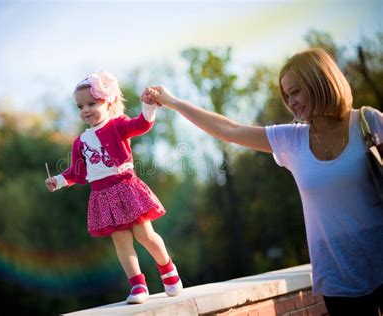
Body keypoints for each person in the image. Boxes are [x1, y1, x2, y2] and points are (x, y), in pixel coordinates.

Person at [145, 48, 383, 315]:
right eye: (286, 95)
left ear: (319, 82)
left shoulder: (369, 121)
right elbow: (229, 130)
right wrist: (173, 102)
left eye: (296, 91)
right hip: (338, 282)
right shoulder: (291, 140)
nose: (290, 102)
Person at [44, 71, 182, 304]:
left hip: (125, 188)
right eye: (80, 106)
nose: (85, 110)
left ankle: (169, 272)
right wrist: (57, 180)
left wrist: (149, 106)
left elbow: (142, 125)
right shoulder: (81, 141)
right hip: (102, 195)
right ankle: (138, 285)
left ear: (108, 102)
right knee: (121, 241)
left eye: (92, 103)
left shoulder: (118, 125)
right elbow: (77, 172)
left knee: (145, 235)